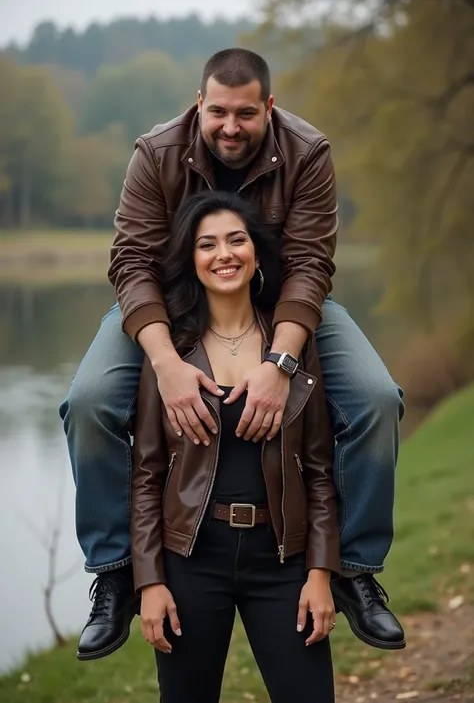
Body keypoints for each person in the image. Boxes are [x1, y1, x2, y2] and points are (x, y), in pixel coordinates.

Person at [59, 48, 405, 662]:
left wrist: (280, 365)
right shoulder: (156, 153)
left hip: (287, 304)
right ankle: (113, 571)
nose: (231, 126)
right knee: (87, 403)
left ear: (268, 108)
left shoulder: (309, 152)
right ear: (199, 104)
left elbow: (309, 266)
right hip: (166, 305)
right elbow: (133, 264)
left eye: (246, 113)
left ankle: (353, 567)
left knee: (378, 399)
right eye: (218, 111)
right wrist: (165, 363)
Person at [132, 190, 339, 703]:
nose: (224, 254)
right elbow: (146, 472)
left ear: (255, 253)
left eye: (235, 240)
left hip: (283, 561)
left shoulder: (292, 347)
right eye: (207, 244)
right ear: (191, 259)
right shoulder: (170, 355)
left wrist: (319, 573)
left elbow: (317, 468)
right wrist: (149, 582)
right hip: (191, 558)